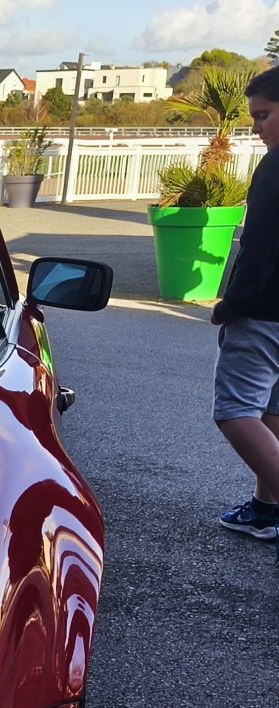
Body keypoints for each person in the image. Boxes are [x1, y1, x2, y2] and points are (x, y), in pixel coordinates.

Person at [210, 66, 279, 543]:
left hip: (265, 310)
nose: (257, 128)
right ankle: (264, 510)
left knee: (235, 411)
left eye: (264, 115)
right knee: (273, 410)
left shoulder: (276, 165)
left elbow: (257, 248)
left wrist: (229, 303)